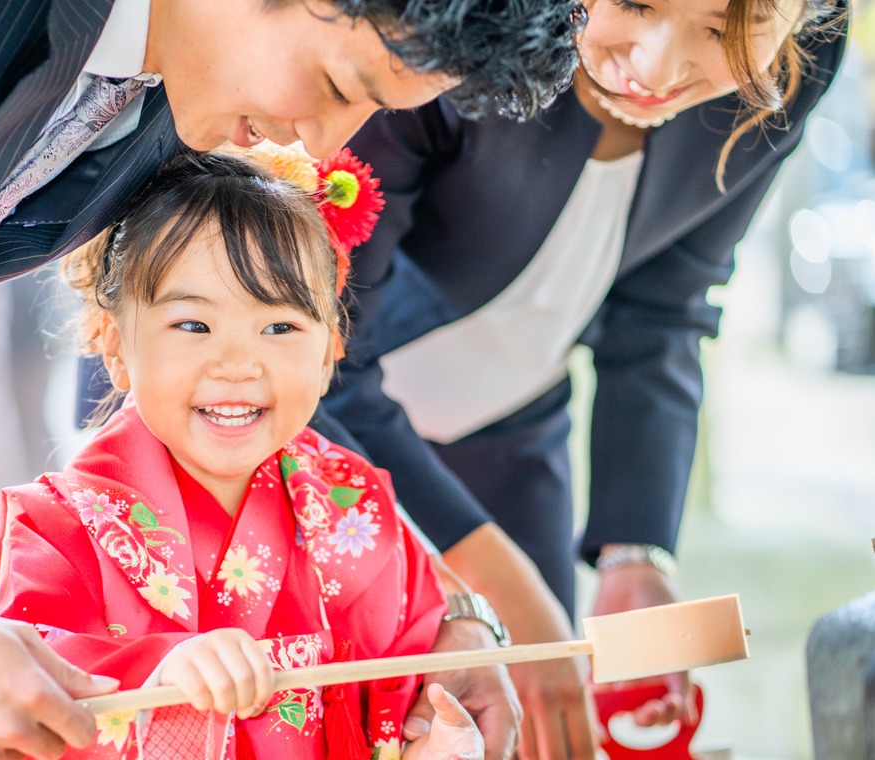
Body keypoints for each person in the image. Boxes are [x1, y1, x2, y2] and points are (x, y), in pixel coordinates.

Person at [0, 1, 581, 757]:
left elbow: (391, 629)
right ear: (112, 336)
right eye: (334, 82)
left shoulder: (176, 104)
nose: (319, 142)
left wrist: (453, 632)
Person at [316, 0, 848, 756]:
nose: (658, 71)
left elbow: (666, 305)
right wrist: (497, 581)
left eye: (726, 27)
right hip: (308, 432)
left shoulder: (797, 69)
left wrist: (636, 552)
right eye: (634, 2)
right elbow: (318, 355)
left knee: (546, 726)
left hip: (515, 428)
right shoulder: (455, 28)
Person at [0, 150, 484, 760]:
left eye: (279, 329)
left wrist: (432, 747)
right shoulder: (56, 529)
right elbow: (27, 691)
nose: (236, 365)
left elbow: (402, 702)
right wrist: (162, 672)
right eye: (193, 325)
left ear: (331, 351)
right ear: (113, 345)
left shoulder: (357, 511)